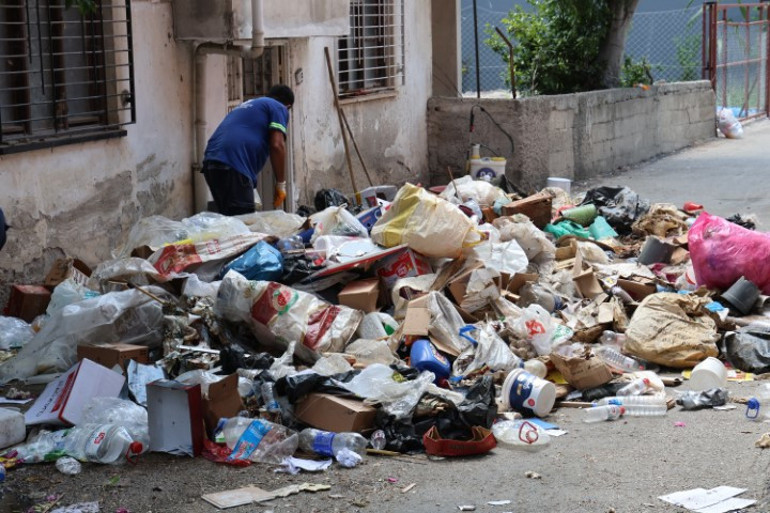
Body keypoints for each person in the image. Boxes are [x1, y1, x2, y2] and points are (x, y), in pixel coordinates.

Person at [202, 85, 294, 215]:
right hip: (233, 164)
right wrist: (280, 184)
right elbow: (277, 145)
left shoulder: (249, 105)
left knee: (230, 221)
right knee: (244, 222)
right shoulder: (279, 107)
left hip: (211, 162)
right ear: (288, 107)